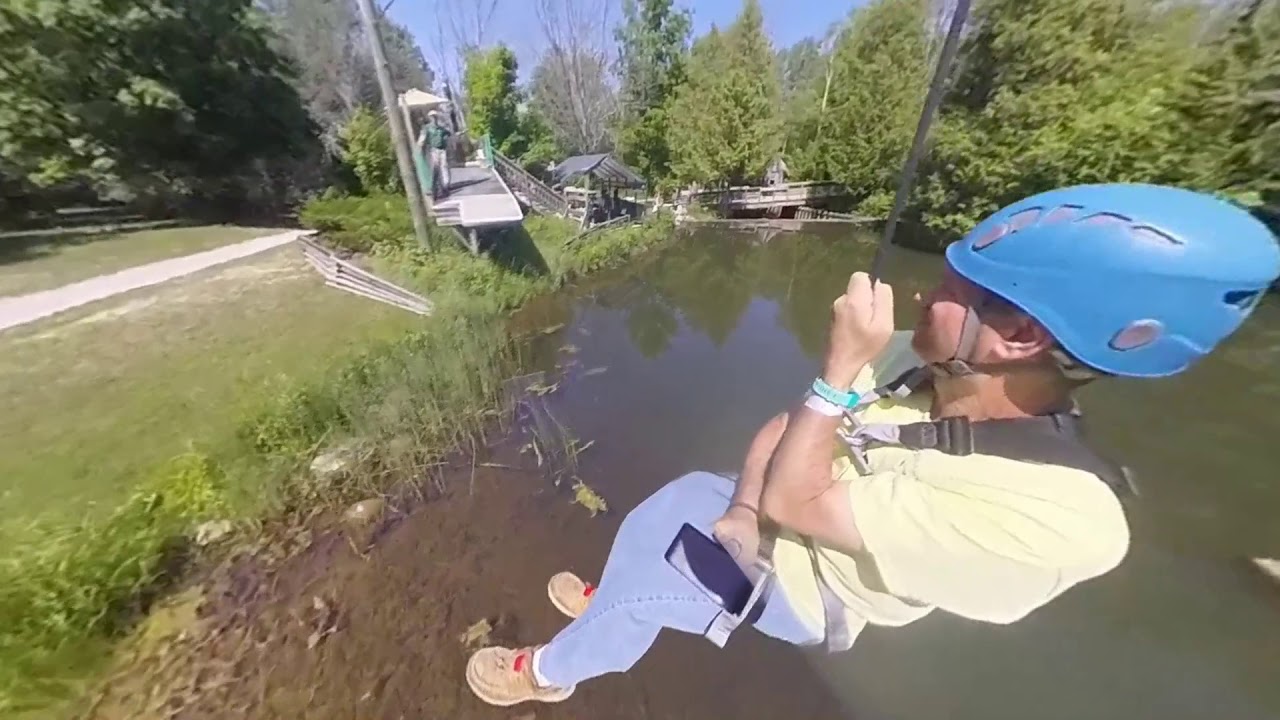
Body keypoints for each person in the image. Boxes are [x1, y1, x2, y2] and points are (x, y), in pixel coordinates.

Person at [464, 183, 1280, 707]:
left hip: (804, 588)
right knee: (662, 509)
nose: (928, 293)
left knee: (652, 589)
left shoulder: (1072, 519)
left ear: (1021, 334)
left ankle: (549, 675)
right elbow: (789, 429)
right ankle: (613, 595)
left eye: (958, 292)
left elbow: (802, 491)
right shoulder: (912, 360)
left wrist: (830, 386)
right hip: (770, 514)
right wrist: (745, 505)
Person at [419, 109, 451, 199]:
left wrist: (446, 138)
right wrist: (420, 145)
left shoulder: (441, 128)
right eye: (432, 117)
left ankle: (445, 186)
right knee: (435, 169)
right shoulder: (427, 128)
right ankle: (435, 188)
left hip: (442, 150)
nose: (434, 118)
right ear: (430, 118)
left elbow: (448, 134)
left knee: (444, 167)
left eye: (435, 117)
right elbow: (422, 138)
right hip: (433, 150)